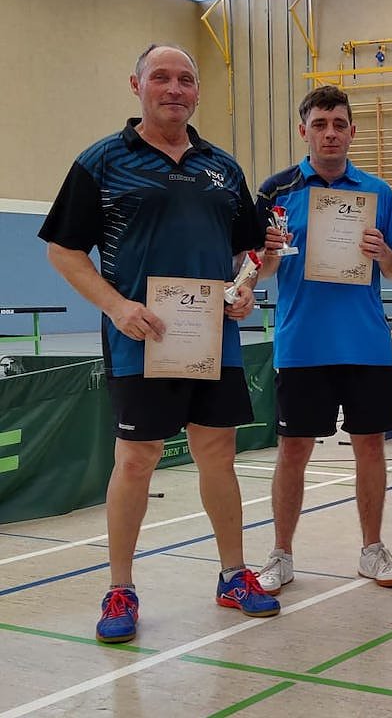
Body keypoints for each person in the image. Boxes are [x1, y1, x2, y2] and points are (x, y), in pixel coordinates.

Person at [39, 44, 280, 644]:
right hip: (139, 338)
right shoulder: (102, 161)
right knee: (136, 459)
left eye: (186, 80)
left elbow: (250, 254)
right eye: (162, 78)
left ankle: (233, 575)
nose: (175, 88)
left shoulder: (223, 168)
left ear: (197, 92)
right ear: (137, 85)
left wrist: (245, 291)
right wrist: (117, 306)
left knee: (217, 453)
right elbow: (64, 250)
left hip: (212, 338)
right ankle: (120, 587)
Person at [252, 85, 392, 594]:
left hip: (365, 345)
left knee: (371, 448)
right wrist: (268, 255)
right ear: (304, 130)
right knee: (293, 450)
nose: (330, 133)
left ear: (352, 132)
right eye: (320, 124)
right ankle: (281, 555)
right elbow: (257, 271)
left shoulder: (378, 193)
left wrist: (384, 253)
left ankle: (372, 550)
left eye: (339, 124)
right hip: (302, 344)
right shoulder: (275, 192)